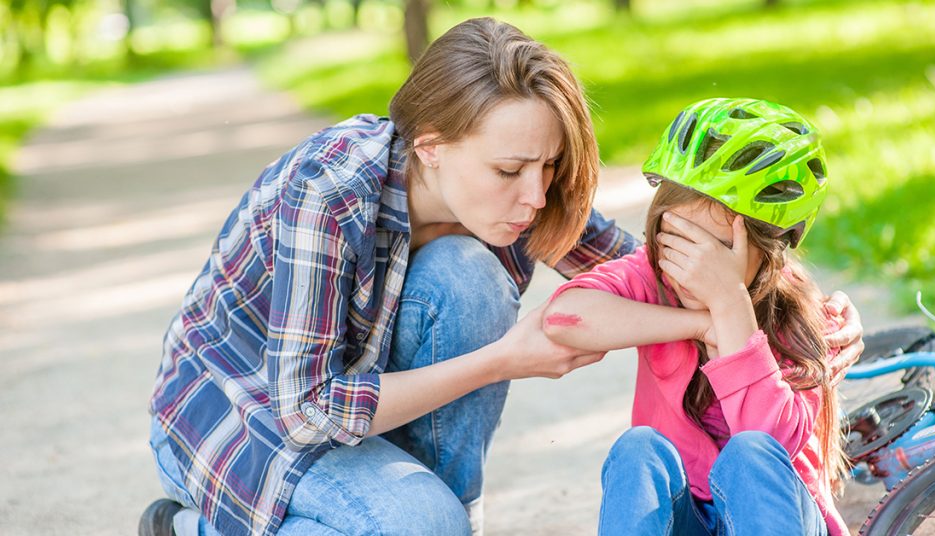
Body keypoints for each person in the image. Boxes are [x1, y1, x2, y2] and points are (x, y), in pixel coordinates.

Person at [139, 18, 864, 536]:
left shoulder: (513, 202)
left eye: (548, 167)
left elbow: (658, 264)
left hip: (354, 405)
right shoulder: (327, 195)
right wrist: (503, 360)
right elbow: (308, 412)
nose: (536, 196)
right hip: (245, 413)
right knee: (417, 521)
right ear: (430, 148)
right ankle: (197, 526)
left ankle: (447, 517)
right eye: (510, 170)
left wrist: (788, 303)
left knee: (465, 272)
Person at [544, 98, 852, 535]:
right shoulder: (653, 277)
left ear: (767, 253)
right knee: (639, 450)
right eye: (679, 244)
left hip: (774, 515)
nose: (692, 270)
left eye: (715, 253)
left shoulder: (797, 312)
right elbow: (563, 318)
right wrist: (698, 325)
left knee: (750, 454)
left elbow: (773, 445)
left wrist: (730, 306)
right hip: (689, 517)